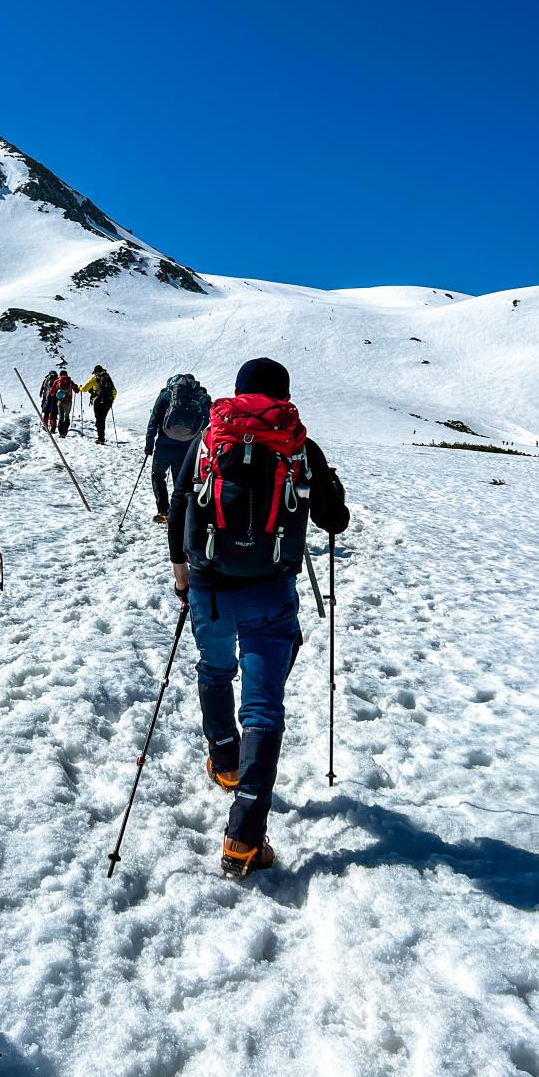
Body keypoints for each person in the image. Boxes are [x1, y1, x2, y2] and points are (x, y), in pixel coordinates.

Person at [166, 357, 348, 879]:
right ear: (284, 395)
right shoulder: (298, 444)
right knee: (264, 705)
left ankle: (224, 759)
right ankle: (244, 838)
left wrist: (182, 577)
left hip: (210, 585)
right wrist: (325, 486)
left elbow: (179, 508)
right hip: (270, 588)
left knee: (214, 667)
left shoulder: (211, 437)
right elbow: (334, 519)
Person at [145, 373, 211, 525]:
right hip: (187, 446)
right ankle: (179, 514)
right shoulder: (200, 398)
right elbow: (206, 423)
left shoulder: (166, 396)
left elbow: (153, 421)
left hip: (164, 444)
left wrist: (149, 445)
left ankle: (163, 511)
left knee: (158, 475)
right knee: (180, 481)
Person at [79, 364, 117, 444]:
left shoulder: (95, 378)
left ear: (96, 372)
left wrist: (80, 388)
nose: (95, 374)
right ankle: (101, 437)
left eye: (95, 373)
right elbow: (114, 391)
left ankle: (101, 438)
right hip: (108, 402)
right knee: (102, 419)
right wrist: (111, 400)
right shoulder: (107, 377)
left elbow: (85, 389)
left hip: (98, 401)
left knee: (99, 419)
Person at [51, 366, 80, 437]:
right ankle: (65, 431)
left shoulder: (57, 381)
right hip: (69, 402)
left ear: (60, 375)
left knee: (61, 417)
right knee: (67, 416)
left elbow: (52, 392)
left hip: (60, 401)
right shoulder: (70, 381)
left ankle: (61, 433)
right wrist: (77, 387)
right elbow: (77, 391)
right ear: (66, 374)